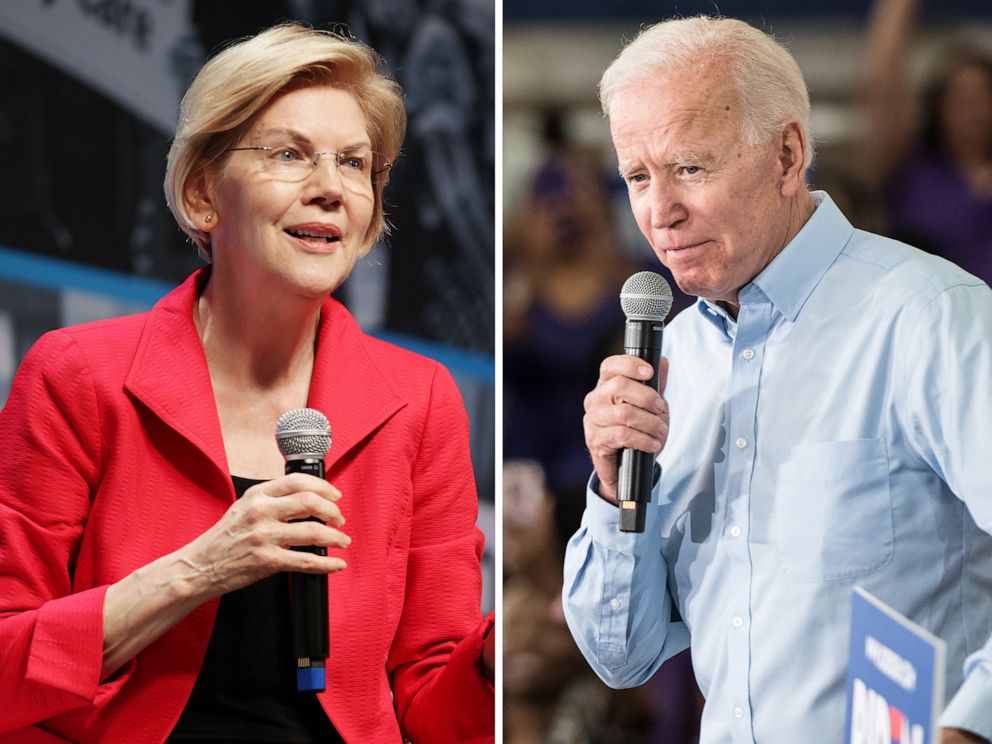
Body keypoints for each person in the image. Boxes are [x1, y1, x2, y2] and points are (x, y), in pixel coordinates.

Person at [0, 24, 494, 744]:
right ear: (203, 194)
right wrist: (199, 569)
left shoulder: (419, 399)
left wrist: (489, 663)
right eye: (290, 154)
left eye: (355, 164)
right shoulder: (76, 374)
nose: (331, 188)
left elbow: (432, 707)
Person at [563, 15, 992, 744]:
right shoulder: (673, 362)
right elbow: (621, 657)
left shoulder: (929, 318)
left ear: (787, 156)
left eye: (690, 168)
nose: (659, 213)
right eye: (638, 176)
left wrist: (969, 725)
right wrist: (613, 492)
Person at [865, 0, 992, 285]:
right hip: (932, 319)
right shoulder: (912, 169)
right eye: (964, 99)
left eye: (986, 96)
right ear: (939, 106)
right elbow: (883, 86)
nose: (977, 110)